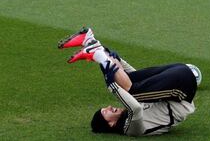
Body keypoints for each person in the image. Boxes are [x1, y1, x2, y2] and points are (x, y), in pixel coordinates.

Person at [58, 28, 198, 136]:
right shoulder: (130, 129)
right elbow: (135, 107)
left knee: (129, 84)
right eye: (105, 112)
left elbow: (133, 78)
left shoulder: (128, 114)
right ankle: (97, 52)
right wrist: (111, 85)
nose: (108, 107)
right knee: (131, 91)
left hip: (180, 79)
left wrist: (118, 61)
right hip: (182, 91)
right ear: (111, 124)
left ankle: (92, 43)